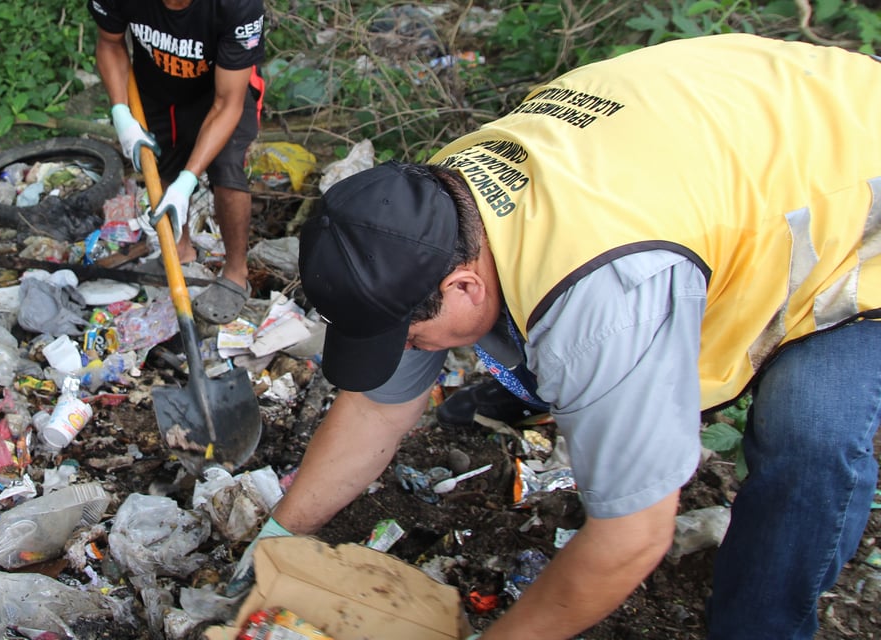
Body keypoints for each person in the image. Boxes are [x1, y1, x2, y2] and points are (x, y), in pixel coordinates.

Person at [250, 34, 881, 639]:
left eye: (407, 338)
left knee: (807, 434)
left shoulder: (606, 301)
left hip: (856, 192)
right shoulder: (433, 207)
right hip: (751, 128)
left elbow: (631, 537)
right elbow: (376, 408)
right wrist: (276, 541)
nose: (407, 351)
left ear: (464, 286)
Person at [89, 0, 266, 324]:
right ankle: (180, 250)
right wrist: (120, 112)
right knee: (163, 161)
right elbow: (110, 42)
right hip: (156, 82)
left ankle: (236, 274)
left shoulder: (237, 6)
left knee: (227, 171)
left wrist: (189, 180)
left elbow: (227, 104)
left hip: (223, 89)